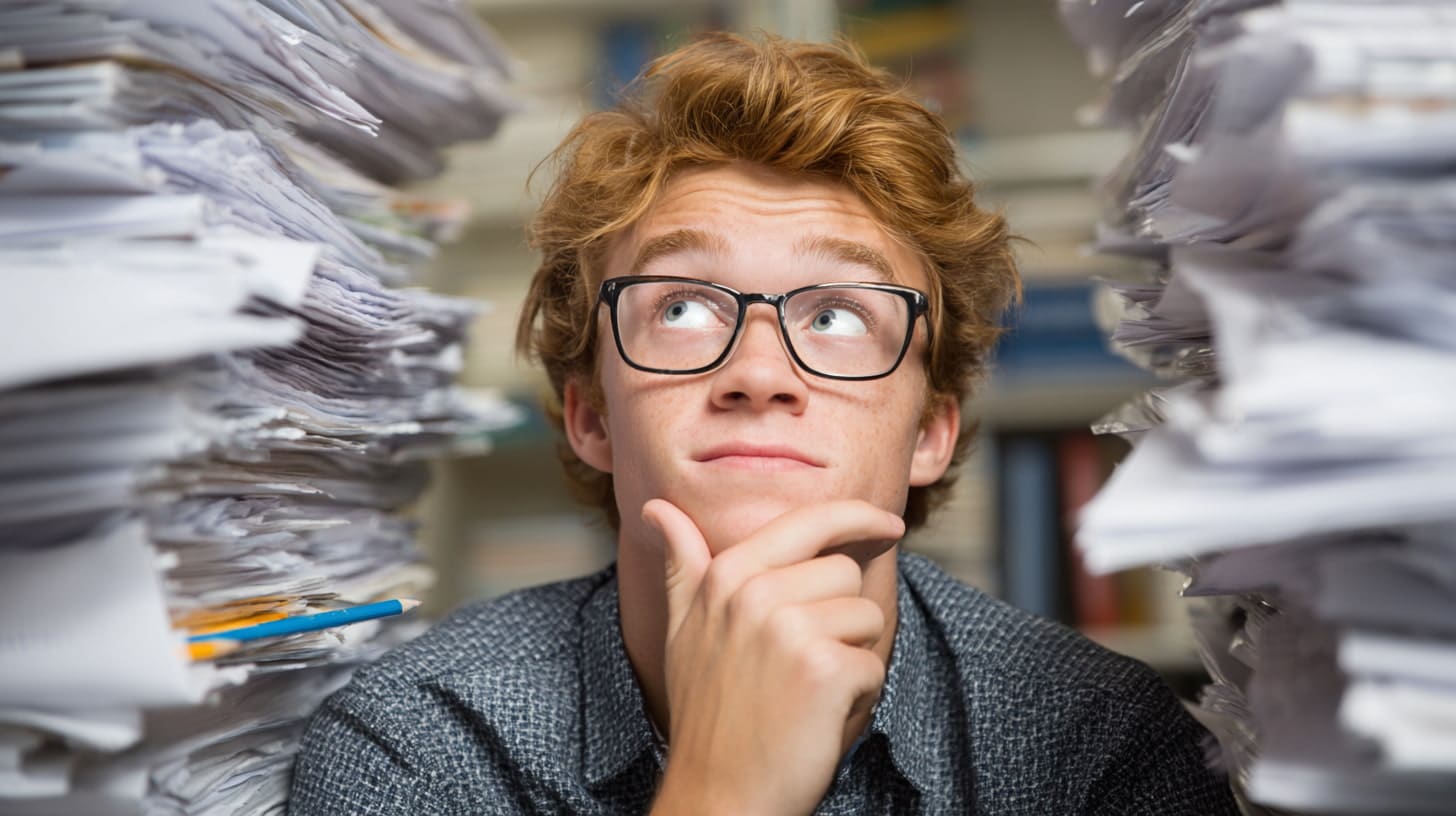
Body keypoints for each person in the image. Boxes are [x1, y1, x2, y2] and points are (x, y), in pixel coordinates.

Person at [290, 32, 1238, 815]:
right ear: (590, 417)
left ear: (929, 433)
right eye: (681, 307)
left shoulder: (1102, 746)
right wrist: (722, 790)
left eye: (838, 317)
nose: (757, 374)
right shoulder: (413, 743)